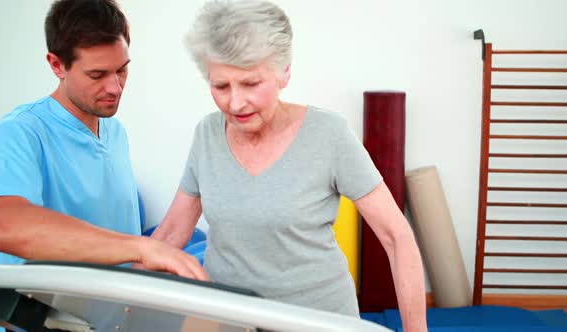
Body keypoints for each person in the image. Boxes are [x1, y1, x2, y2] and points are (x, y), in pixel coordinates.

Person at [148, 0, 427, 331]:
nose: (235, 103)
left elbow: (396, 236)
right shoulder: (207, 134)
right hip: (231, 318)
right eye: (221, 86)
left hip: (317, 319)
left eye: (251, 83)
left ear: (284, 73)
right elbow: (170, 233)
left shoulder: (328, 135)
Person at [0, 0, 207, 294]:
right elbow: (7, 228)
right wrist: (141, 248)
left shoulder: (115, 132)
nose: (115, 87)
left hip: (109, 312)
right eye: (97, 75)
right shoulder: (18, 134)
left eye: (122, 70)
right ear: (57, 65)